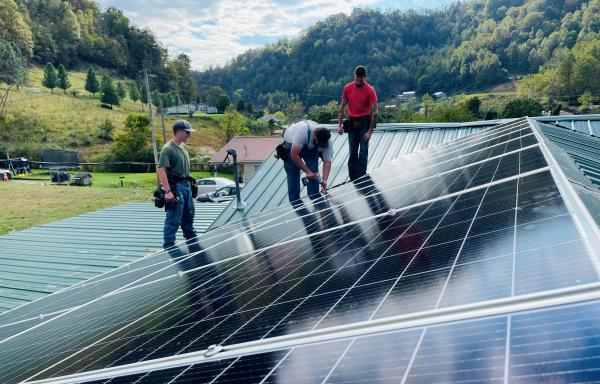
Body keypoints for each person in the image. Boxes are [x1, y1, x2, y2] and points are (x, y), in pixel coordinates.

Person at [157, 119, 197, 250]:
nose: (189, 135)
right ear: (179, 132)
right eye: (187, 132)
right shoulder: (168, 149)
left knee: (189, 214)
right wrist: (167, 191)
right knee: (174, 217)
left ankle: (191, 239)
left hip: (186, 185)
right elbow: (161, 170)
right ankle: (169, 246)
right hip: (176, 187)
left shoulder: (183, 147)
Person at [338, 65, 378, 181]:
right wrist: (340, 125)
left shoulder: (370, 90)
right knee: (353, 151)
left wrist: (370, 131)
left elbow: (375, 113)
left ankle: (362, 177)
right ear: (354, 75)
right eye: (357, 79)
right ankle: (353, 178)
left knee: (363, 151)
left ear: (365, 77)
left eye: (361, 79)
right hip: (352, 122)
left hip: (365, 121)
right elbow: (341, 108)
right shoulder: (348, 88)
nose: (358, 81)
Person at [283, 120, 333, 203]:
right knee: (293, 174)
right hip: (291, 146)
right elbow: (294, 155)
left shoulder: (327, 140)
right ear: (314, 135)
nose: (321, 145)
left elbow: (327, 161)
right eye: (319, 142)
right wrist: (307, 172)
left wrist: (324, 180)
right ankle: (295, 202)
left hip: (310, 149)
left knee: (314, 174)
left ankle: (315, 200)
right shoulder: (302, 132)